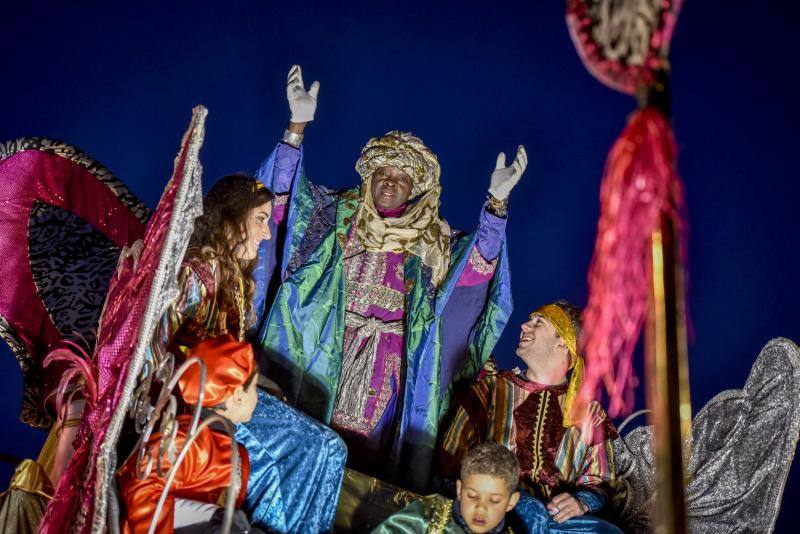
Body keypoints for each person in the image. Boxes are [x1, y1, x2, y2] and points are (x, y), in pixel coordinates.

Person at [254, 65, 525, 488]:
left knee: (365, 471)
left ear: (414, 189)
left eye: (401, 178)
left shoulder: (433, 241)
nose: (389, 183)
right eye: (383, 173)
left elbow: (472, 279)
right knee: (305, 445)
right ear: (370, 178)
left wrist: (496, 207)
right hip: (323, 350)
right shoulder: (336, 215)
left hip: (387, 370)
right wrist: (296, 129)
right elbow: (283, 206)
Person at [145, 174, 346, 533]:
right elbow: (153, 347)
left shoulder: (234, 277)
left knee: (331, 449)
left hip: (231, 395)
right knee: (317, 447)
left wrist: (259, 382)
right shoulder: (196, 272)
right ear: (231, 218)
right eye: (260, 220)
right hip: (200, 406)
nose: (267, 234)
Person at [438, 301, 622, 533]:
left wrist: (581, 501)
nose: (524, 326)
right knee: (529, 512)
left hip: (557, 522)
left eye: (538, 323)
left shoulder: (590, 414)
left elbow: (601, 480)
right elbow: (449, 461)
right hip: (494, 510)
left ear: (563, 342)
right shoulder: (490, 390)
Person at [119, 336, 261, 534]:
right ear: (237, 395)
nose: (257, 397)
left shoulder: (232, 449)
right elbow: (142, 487)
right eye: (254, 388)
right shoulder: (191, 441)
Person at [373, 441, 520, 533]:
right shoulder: (425, 519)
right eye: (472, 496)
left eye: (494, 500)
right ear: (459, 490)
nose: (481, 508)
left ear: (511, 502)